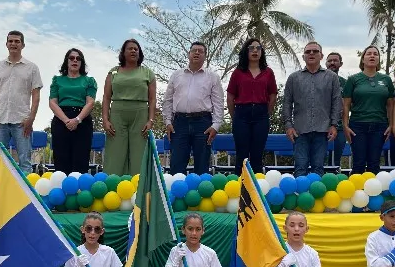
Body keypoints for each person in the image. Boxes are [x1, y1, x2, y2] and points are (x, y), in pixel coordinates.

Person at [0, 31, 43, 175]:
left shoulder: (32, 68)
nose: (13, 44)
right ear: (6, 44)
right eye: (10, 41)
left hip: (22, 122)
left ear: (23, 45)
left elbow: (36, 95)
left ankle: (25, 190)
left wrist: (31, 118)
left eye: (17, 41)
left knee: (25, 161)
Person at [162, 42, 224, 175]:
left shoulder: (213, 77)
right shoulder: (176, 75)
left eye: (200, 51)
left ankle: (201, 189)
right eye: (194, 50)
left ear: (205, 56)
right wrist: (167, 122)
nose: (197, 53)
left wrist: (216, 125)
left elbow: (218, 102)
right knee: (176, 165)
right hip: (179, 123)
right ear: (188, 54)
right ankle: (176, 188)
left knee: (202, 166)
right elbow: (168, 100)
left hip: (203, 124)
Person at [282, 42, 342, 176]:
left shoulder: (332, 77)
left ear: (321, 56)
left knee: (318, 168)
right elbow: (287, 103)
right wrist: (288, 126)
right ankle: (300, 190)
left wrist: (334, 125)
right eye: (308, 51)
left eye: (315, 51)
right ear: (303, 56)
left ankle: (316, 191)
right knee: (300, 168)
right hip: (300, 131)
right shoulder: (293, 78)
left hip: (322, 130)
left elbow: (336, 102)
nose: (311, 53)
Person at [102, 39, 156, 176]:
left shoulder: (148, 73)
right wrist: (105, 120)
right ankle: (112, 185)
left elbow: (152, 99)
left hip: (140, 115)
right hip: (117, 115)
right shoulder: (113, 72)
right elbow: (106, 97)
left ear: (139, 53)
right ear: (123, 52)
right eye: (130, 48)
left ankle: (138, 186)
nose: (133, 51)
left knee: (139, 154)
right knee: (115, 153)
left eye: (136, 49)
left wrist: (150, 120)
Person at [227, 39, 277, 175]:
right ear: (246, 51)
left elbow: (273, 95)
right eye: (251, 48)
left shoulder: (268, 72)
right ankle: (239, 184)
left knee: (257, 155)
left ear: (262, 52)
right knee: (241, 155)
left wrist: (266, 113)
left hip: (261, 115)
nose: (255, 51)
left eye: (258, 48)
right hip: (241, 115)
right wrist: (235, 116)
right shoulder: (238, 72)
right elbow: (230, 97)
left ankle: (257, 185)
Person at [342, 46, 394, 174]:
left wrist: (391, 125)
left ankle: (374, 187)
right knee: (358, 163)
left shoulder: (386, 80)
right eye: (369, 54)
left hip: (380, 125)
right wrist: (345, 126)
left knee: (374, 163)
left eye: (375, 54)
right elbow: (346, 105)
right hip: (357, 125)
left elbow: (390, 105)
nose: (372, 56)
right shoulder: (353, 79)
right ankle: (356, 187)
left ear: (378, 59)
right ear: (363, 59)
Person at [49, 48, 98, 174]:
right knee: (61, 160)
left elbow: (90, 102)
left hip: (82, 121)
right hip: (61, 120)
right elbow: (52, 102)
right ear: (67, 61)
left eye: (78, 58)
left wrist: (77, 120)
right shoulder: (57, 80)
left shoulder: (89, 81)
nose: (75, 60)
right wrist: (66, 120)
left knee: (80, 161)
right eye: (71, 58)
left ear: (82, 62)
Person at [325, 52, 347, 168]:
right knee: (318, 159)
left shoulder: (345, 82)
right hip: (321, 126)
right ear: (326, 63)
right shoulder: (319, 79)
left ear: (341, 64)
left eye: (335, 60)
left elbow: (349, 105)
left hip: (340, 127)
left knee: (335, 161)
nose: (332, 63)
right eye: (330, 61)